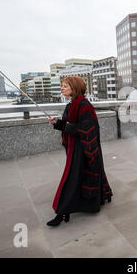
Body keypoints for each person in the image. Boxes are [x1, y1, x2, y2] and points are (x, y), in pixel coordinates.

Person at [47, 77, 113, 227]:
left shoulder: (84, 105)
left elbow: (88, 129)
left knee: (71, 180)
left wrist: (68, 126)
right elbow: (70, 125)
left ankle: (62, 212)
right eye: (62, 86)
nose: (62, 89)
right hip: (74, 148)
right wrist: (57, 123)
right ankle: (101, 196)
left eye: (65, 86)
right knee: (81, 177)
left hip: (82, 150)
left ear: (74, 88)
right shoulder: (71, 104)